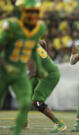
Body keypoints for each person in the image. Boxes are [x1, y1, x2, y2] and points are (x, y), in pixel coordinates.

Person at [0, 0, 47, 134]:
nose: (32, 15)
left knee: (26, 103)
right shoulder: (12, 26)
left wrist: (39, 67)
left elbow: (33, 49)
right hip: (3, 71)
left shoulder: (40, 27)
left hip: (20, 72)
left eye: (35, 12)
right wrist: (6, 66)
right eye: (29, 12)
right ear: (21, 12)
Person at [27, 40, 67, 133]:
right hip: (46, 72)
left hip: (49, 75)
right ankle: (24, 123)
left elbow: (33, 72)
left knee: (37, 102)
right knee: (27, 95)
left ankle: (59, 124)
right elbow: (42, 42)